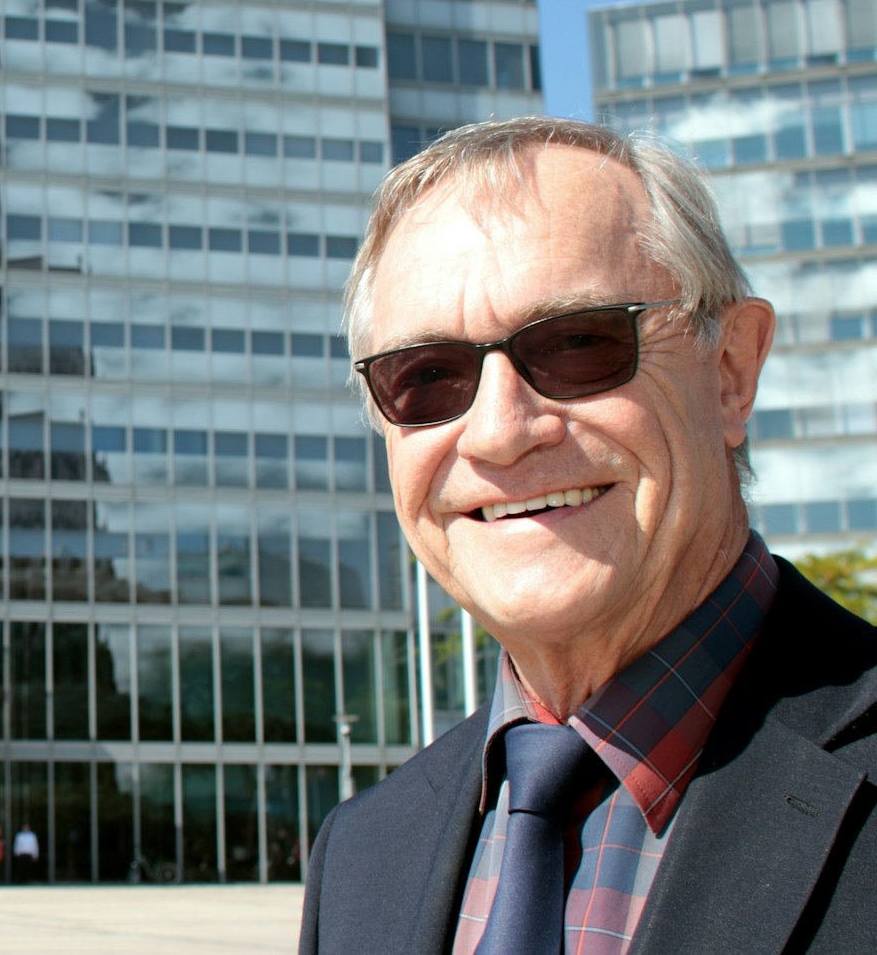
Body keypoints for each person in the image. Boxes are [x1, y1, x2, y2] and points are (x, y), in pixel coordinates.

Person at [300, 117, 877, 953]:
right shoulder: (360, 852)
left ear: (731, 372)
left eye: (577, 343)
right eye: (427, 376)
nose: (499, 431)